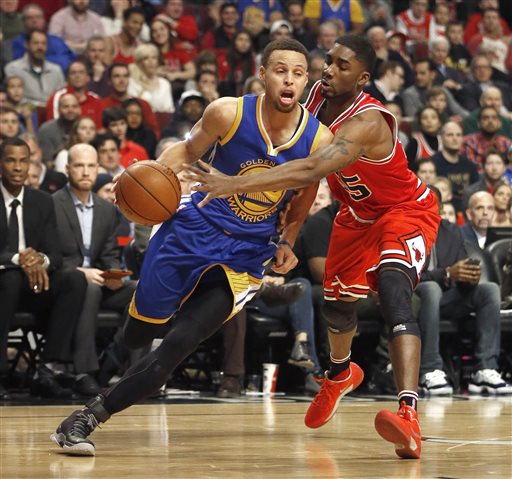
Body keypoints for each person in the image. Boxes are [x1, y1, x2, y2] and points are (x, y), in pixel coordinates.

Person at [50, 38, 333, 456]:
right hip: (191, 231)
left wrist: (288, 239)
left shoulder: (318, 140)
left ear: (306, 79)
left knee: (178, 347)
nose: (288, 79)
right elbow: (185, 150)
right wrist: (143, 177)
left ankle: (85, 419)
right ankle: (124, 350)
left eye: (296, 72)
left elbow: (305, 191)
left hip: (245, 253)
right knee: (137, 334)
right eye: (280, 70)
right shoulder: (228, 112)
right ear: (263, 74)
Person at [186, 35, 441, 460]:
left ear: (362, 78)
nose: (328, 70)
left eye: (342, 66)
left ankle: (408, 414)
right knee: (336, 306)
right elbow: (301, 170)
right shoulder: (318, 98)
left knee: (395, 292)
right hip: (354, 216)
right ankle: (339, 375)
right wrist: (286, 231)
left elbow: (308, 168)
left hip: (403, 211)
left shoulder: (369, 121)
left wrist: (234, 184)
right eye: (327, 61)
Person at [0, 137, 87, 399]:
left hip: (36, 285)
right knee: (11, 278)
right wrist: (18, 258)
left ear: (30, 165)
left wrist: (39, 260)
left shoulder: (42, 201)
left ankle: (48, 369)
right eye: (10, 160)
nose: (17, 167)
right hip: (4, 285)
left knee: (74, 280)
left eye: (23, 161)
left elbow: (55, 255)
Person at [52, 144, 137, 396]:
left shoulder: (107, 210)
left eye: (91, 166)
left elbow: (109, 255)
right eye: (79, 166)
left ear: (98, 168)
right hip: (65, 283)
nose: (86, 172)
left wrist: (114, 273)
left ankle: (131, 371)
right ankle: (84, 372)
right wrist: (79, 270)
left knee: (141, 291)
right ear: (68, 169)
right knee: (87, 286)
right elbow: (51, 254)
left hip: (99, 281)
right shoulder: (51, 204)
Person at [416, 186, 511, 396]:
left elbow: (460, 270)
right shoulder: (404, 230)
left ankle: (485, 369)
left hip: (449, 297)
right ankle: (429, 370)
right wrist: (447, 273)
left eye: (432, 203)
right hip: (416, 300)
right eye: (420, 201)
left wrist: (470, 277)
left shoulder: (451, 231)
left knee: (489, 289)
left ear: (440, 207)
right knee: (430, 288)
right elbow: (407, 276)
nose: (426, 207)